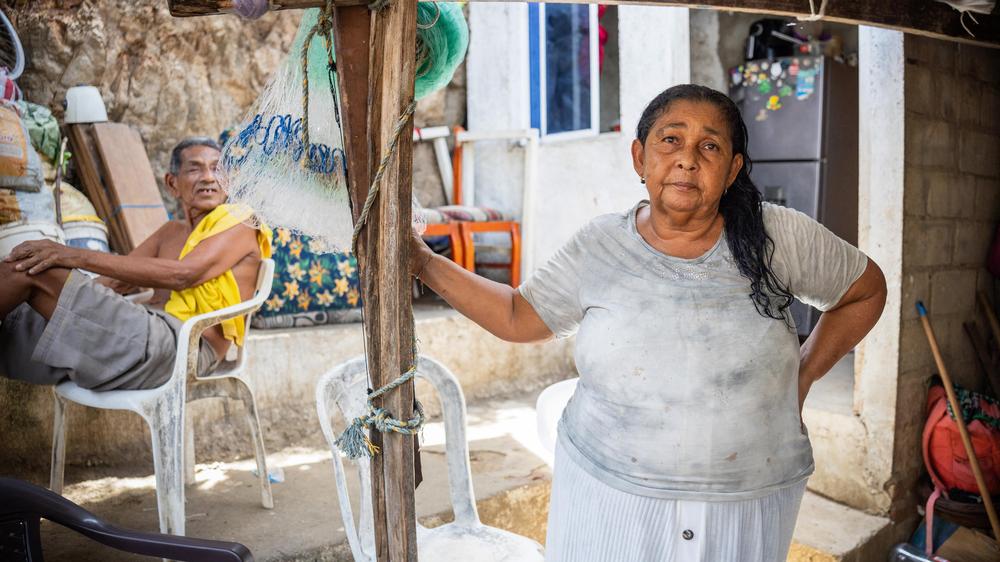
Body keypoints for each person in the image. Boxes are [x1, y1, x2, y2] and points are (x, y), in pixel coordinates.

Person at [409, 84, 887, 561]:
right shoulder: (600, 244)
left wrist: (802, 376)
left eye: (710, 146)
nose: (687, 159)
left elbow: (865, 291)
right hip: (607, 494)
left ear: (732, 169)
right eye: (670, 140)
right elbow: (518, 315)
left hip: (748, 500)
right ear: (639, 157)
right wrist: (424, 263)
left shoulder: (778, 235)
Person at [0, 137, 271, 391]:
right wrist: (57, 289)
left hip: (185, 348)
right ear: (172, 184)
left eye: (217, 169)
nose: (209, 178)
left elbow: (184, 275)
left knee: (35, 275)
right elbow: (115, 282)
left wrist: (70, 255)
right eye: (195, 169)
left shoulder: (241, 222)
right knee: (25, 283)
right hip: (140, 334)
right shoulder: (170, 233)